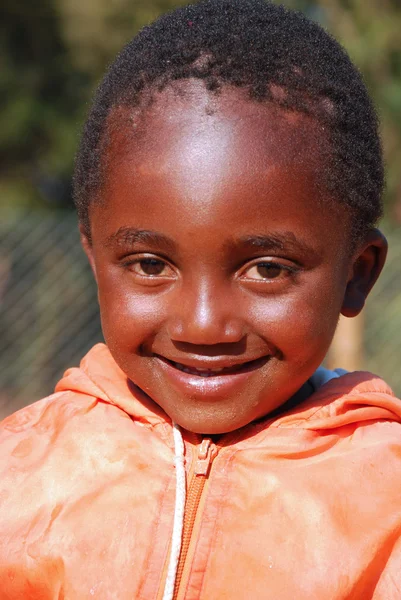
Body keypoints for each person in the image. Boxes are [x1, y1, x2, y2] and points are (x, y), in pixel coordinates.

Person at [0, 0, 399, 598]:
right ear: (94, 259)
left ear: (356, 274)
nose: (204, 325)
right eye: (151, 265)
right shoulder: (19, 476)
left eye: (266, 269)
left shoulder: (386, 503)